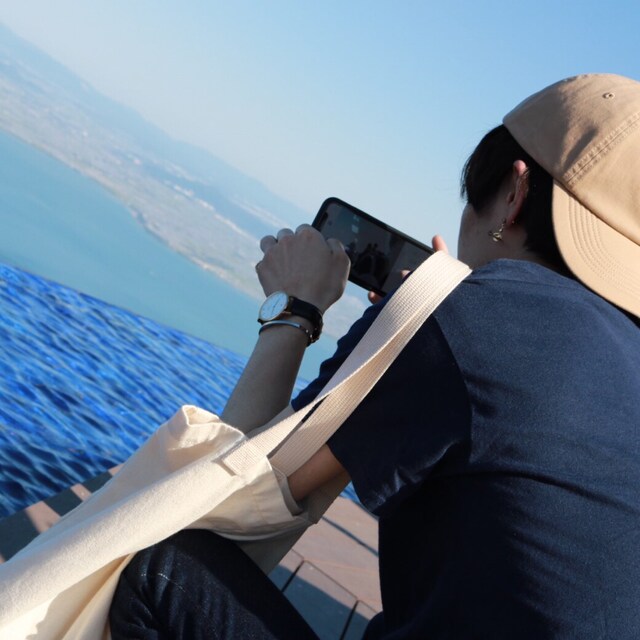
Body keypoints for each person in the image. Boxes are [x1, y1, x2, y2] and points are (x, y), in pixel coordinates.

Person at [109, 74, 640, 639]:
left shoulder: (472, 315)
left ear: (513, 192)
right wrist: (411, 328)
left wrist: (297, 308)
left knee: (157, 569)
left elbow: (231, 491)